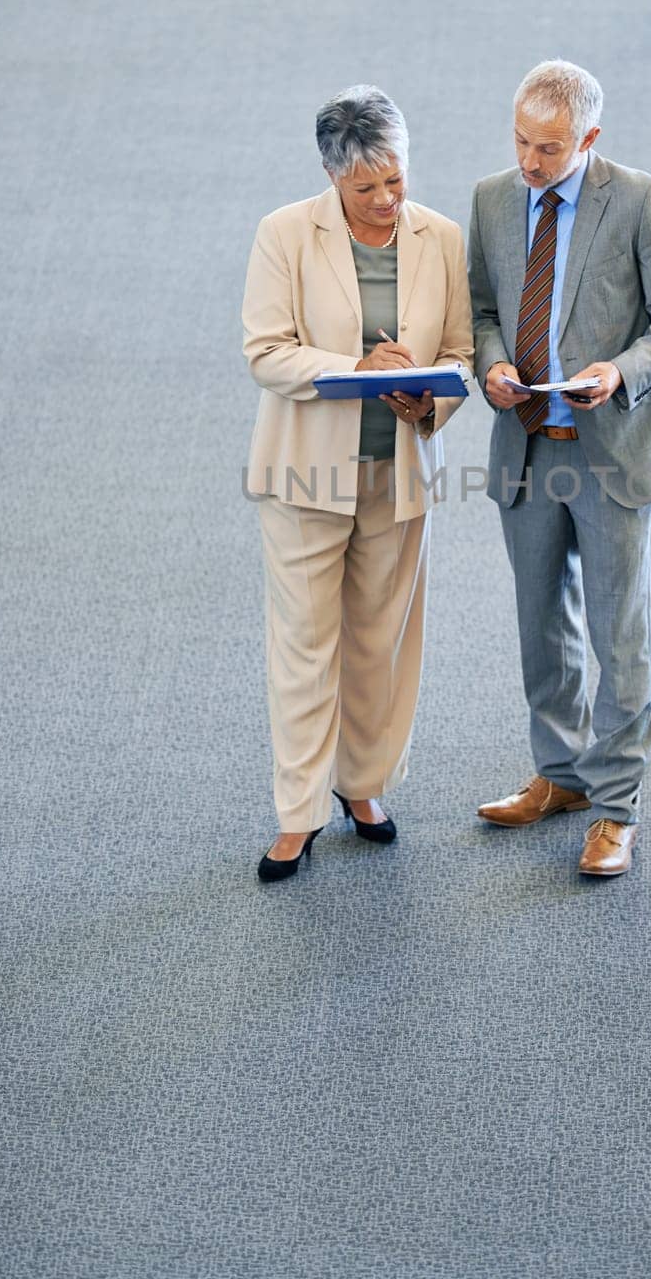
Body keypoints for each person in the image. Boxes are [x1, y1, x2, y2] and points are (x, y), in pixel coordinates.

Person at [468, 59, 651, 879]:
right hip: (528, 446)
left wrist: (622, 371)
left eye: (550, 148)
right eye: (522, 143)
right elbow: (486, 311)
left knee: (618, 636)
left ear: (590, 138)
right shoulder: (493, 198)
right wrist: (491, 367)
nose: (530, 163)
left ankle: (615, 809)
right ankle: (561, 777)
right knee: (542, 629)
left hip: (613, 453)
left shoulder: (640, 199)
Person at [242, 86, 473, 882]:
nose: (385, 200)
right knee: (306, 647)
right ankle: (297, 812)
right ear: (331, 176)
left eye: (396, 180)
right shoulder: (283, 234)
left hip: (397, 472)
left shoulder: (440, 237)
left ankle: (363, 786)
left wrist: (428, 396)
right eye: (365, 187)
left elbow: (458, 350)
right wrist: (354, 370)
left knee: (379, 643)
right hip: (305, 474)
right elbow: (265, 351)